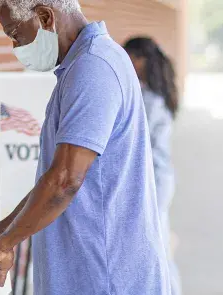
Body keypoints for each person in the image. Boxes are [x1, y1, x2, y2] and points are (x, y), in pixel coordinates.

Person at [0, 0, 172, 294]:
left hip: (105, 277)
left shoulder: (94, 68)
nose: (15, 46)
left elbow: (64, 181)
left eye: (15, 32)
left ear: (44, 16)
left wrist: (4, 245)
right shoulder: (85, 64)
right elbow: (52, 181)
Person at [124, 36, 181, 295]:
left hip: (155, 180)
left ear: (141, 59)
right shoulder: (157, 92)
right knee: (159, 243)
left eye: (130, 57)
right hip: (161, 177)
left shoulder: (148, 99)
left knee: (157, 248)